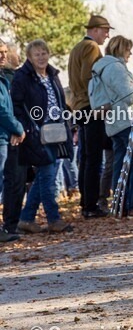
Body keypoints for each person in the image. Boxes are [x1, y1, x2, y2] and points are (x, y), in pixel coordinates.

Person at [12, 40, 74, 234]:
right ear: (29, 57)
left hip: (56, 132)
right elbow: (17, 106)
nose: (41, 57)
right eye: (37, 54)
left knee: (44, 176)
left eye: (44, 53)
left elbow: (60, 101)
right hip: (36, 133)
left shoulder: (53, 74)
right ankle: (53, 218)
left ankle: (26, 218)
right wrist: (28, 129)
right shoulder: (22, 77)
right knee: (47, 174)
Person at [89, 35, 133, 217]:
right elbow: (130, 96)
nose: (130, 53)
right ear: (120, 49)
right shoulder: (115, 68)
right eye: (128, 49)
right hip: (127, 121)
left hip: (115, 122)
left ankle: (119, 204)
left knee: (121, 162)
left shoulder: (103, 67)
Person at [68, 14, 112, 218]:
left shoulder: (77, 47)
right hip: (91, 106)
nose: (107, 35)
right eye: (105, 30)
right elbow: (90, 76)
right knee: (93, 158)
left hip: (79, 105)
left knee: (86, 157)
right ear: (94, 30)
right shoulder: (92, 47)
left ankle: (86, 202)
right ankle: (90, 206)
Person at [0, 39, 24, 242]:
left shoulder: (4, 78)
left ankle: (7, 226)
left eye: (5, 52)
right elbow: (2, 110)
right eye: (0, 52)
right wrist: (17, 127)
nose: (3, 56)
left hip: (6, 135)